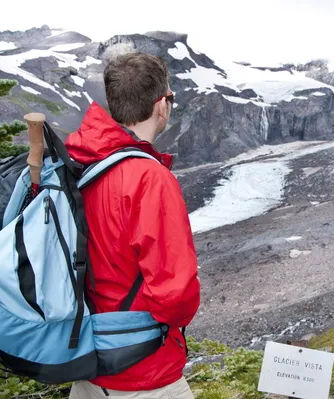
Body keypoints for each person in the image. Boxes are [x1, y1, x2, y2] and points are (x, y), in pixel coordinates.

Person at [65, 52, 200, 398]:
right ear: (161, 105)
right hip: (144, 372)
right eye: (170, 97)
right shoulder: (150, 179)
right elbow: (176, 296)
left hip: (88, 365)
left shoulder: (79, 166)